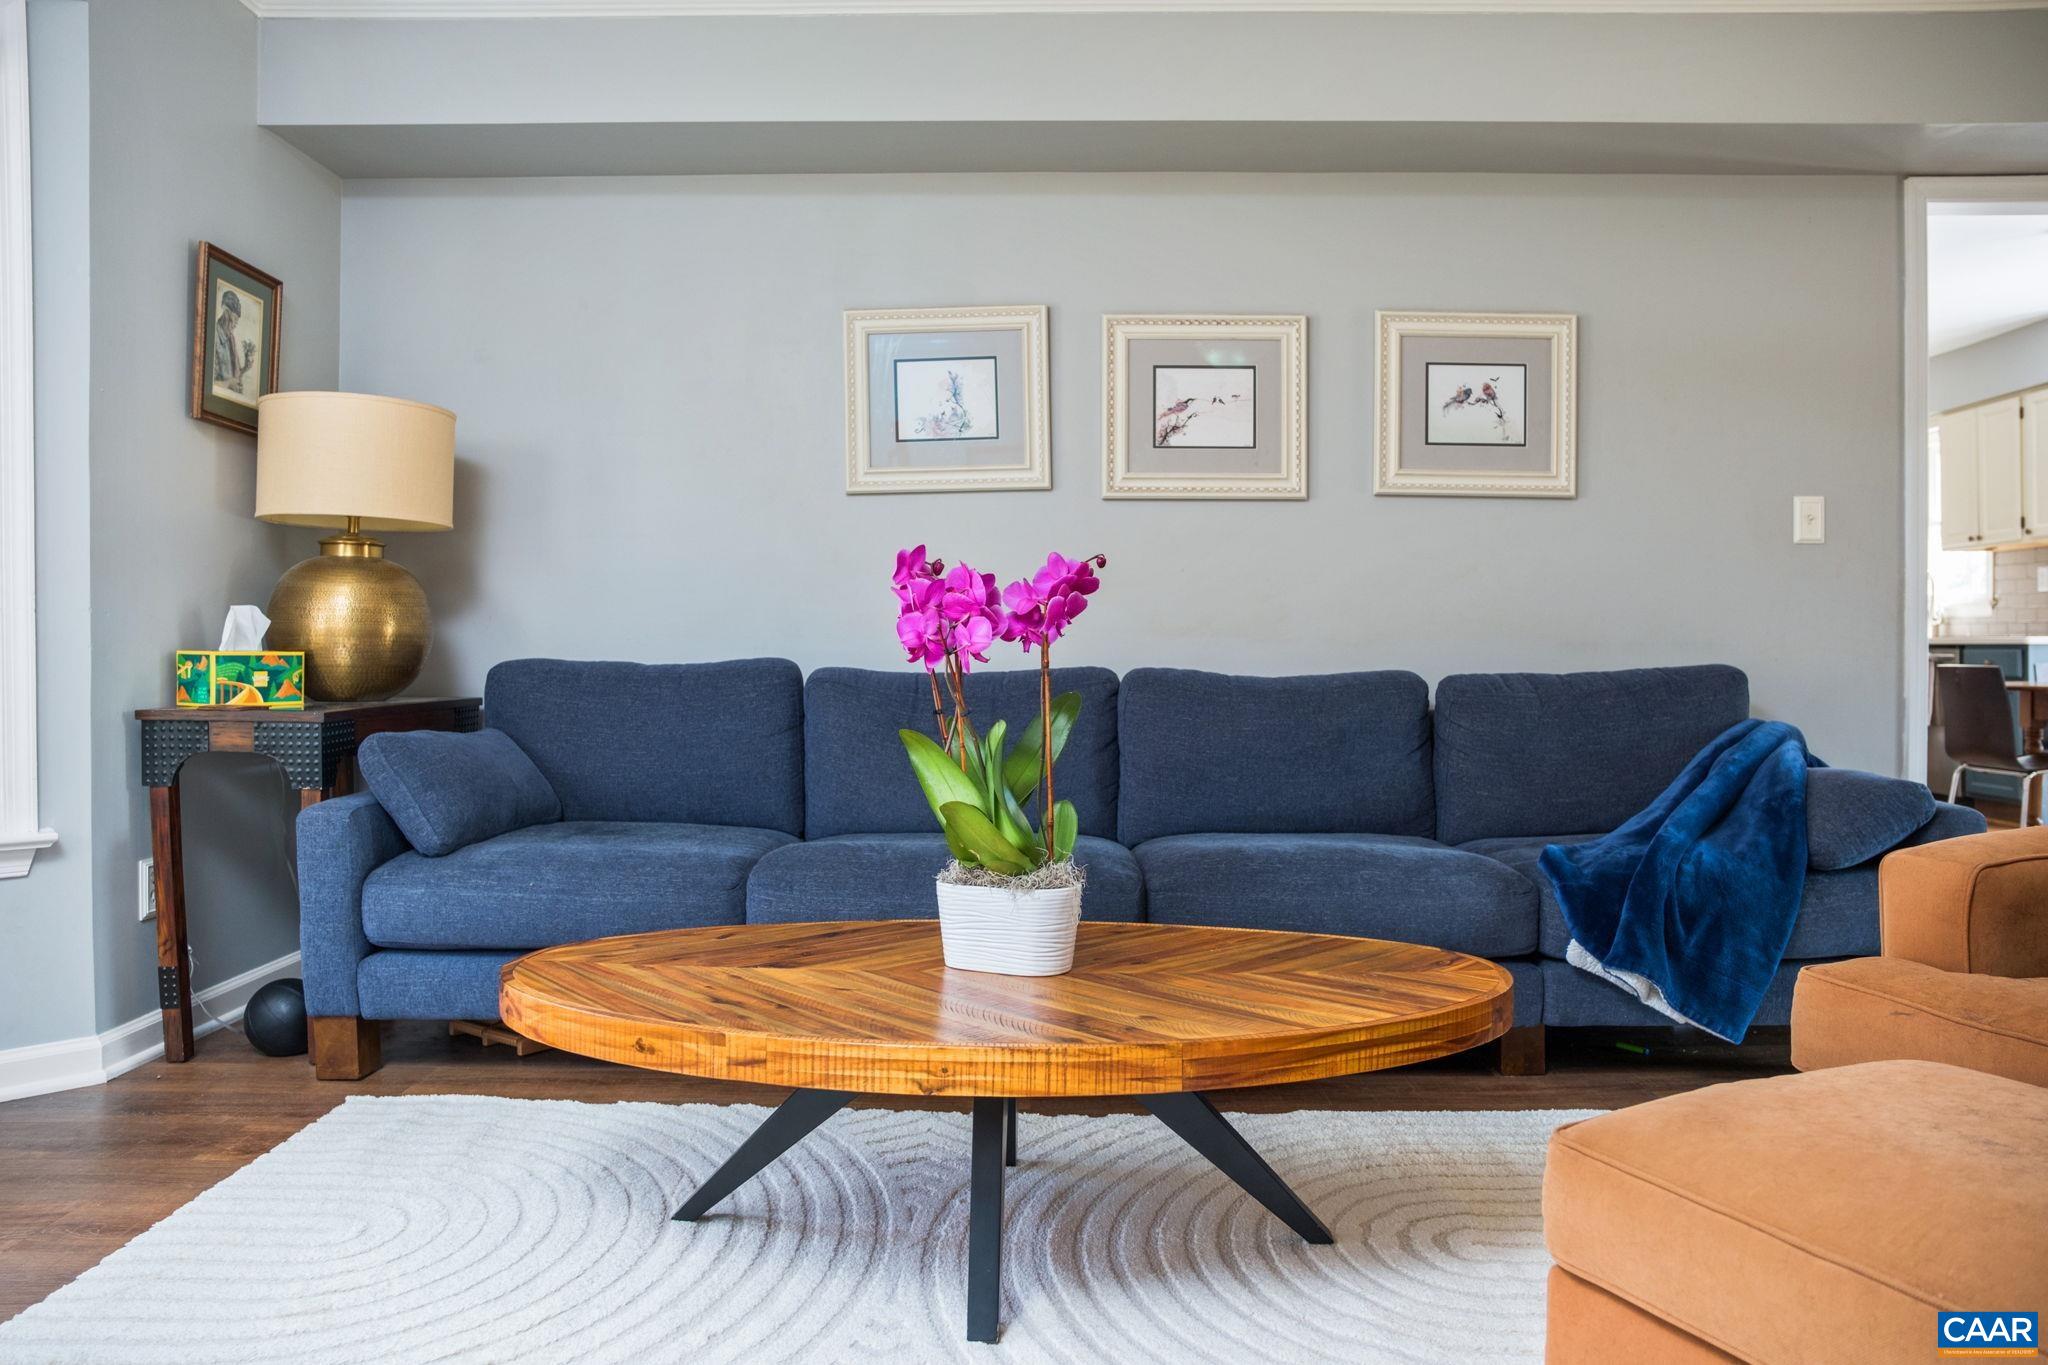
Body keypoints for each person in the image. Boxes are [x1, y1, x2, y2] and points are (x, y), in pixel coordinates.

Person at [213, 289, 254, 395]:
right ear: (226, 313)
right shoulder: (214, 336)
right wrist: (228, 384)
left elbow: (235, 376)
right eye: (234, 319)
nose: (236, 324)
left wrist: (245, 368)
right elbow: (207, 382)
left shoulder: (231, 338)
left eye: (237, 321)